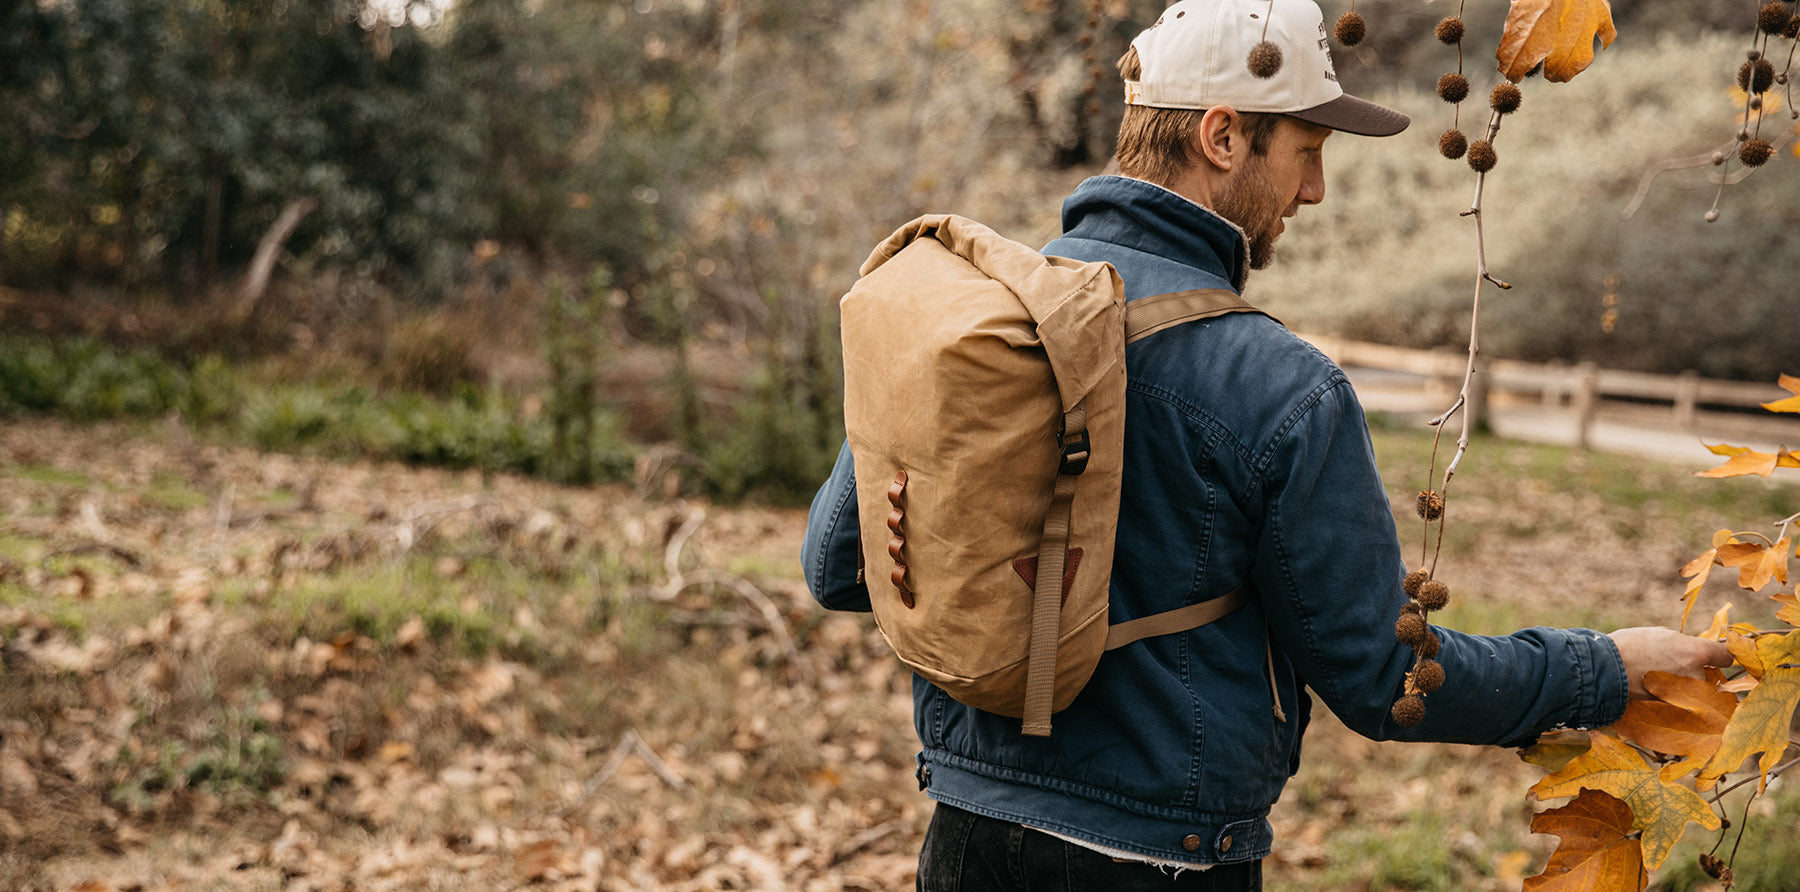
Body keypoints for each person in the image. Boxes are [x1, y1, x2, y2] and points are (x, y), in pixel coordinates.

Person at [802, 0, 1732, 888]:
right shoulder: (1279, 385)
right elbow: (1384, 682)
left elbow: (836, 569)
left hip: (966, 839)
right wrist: (1605, 669)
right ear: (1221, 136)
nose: (1316, 190)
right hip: (1158, 863)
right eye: (1306, 149)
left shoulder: (979, 320)